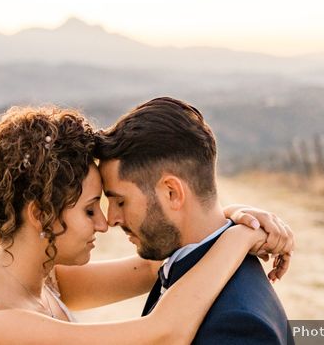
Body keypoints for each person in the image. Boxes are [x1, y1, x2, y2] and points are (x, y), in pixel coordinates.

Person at [0, 105, 294, 345]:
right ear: (40, 214)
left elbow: (162, 261)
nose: (104, 223)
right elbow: (162, 335)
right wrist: (242, 235)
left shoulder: (45, 281)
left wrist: (228, 215)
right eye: (90, 209)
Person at [96, 97, 295, 344]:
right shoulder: (183, 261)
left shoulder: (239, 325)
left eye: (120, 201)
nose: (111, 219)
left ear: (172, 193)